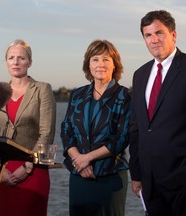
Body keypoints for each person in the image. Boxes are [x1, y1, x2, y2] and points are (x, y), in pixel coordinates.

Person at [129, 10, 186, 216]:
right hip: (149, 181)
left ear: (173, 34)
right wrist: (136, 174)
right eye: (148, 35)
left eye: (159, 33)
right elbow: (136, 128)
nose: (154, 40)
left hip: (184, 179)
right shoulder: (140, 75)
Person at [61, 39, 131, 216]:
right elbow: (66, 130)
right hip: (79, 175)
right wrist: (79, 160)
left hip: (110, 176)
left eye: (106, 59)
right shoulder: (77, 94)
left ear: (115, 65)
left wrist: (88, 158)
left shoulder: (125, 96)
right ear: (88, 65)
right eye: (95, 59)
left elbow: (122, 137)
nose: (101, 64)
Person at [0, 39, 56, 216]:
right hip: (3, 172)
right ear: (6, 62)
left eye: (21, 58)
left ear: (30, 62)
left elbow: (47, 133)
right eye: (11, 58)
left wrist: (26, 167)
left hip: (34, 171)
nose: (16, 62)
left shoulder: (42, 89)